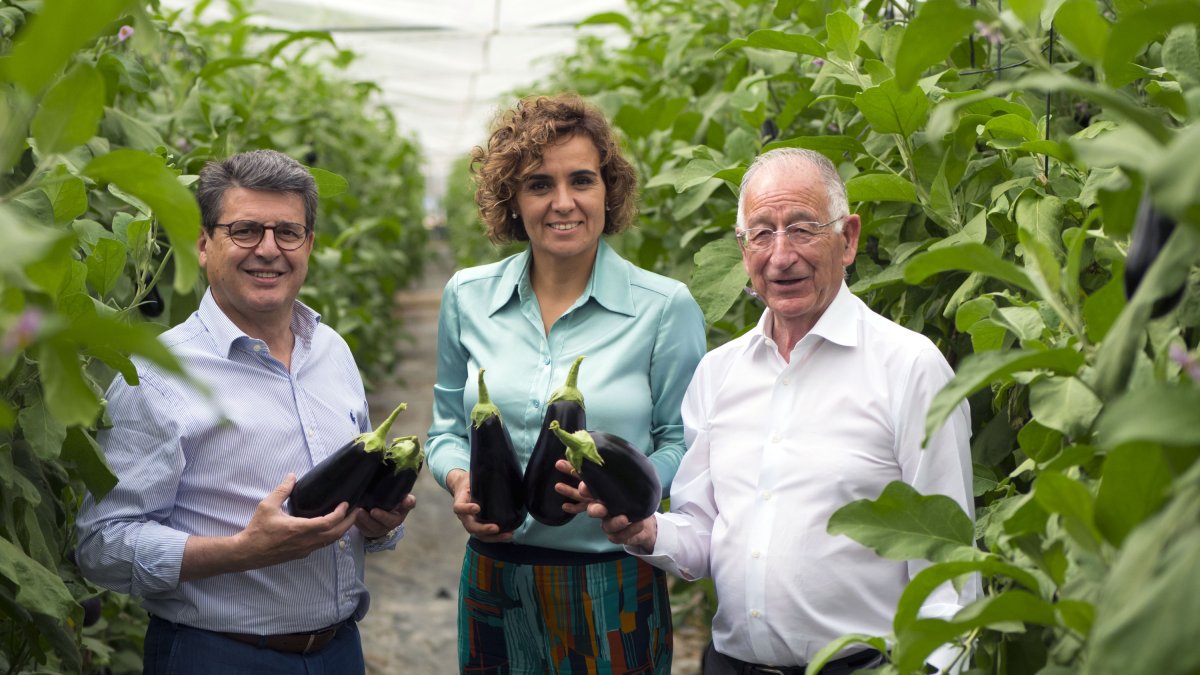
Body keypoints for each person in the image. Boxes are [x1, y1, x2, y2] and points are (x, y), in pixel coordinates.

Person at [583, 148, 976, 674]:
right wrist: (647, 531)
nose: (781, 255)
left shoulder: (909, 368)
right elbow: (705, 531)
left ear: (849, 239)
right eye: (762, 233)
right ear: (742, 249)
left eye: (803, 229)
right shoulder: (719, 373)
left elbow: (949, 567)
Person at [75, 149, 414, 674]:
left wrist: (378, 522)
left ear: (309, 245)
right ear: (203, 245)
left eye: (288, 232)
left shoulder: (332, 351)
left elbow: (358, 499)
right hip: (217, 655)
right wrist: (240, 550)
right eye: (245, 230)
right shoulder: (158, 374)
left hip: (340, 651)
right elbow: (101, 544)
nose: (269, 249)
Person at [425, 93, 706, 674]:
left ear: (608, 190)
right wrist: (458, 479)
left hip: (612, 582)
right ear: (512, 199)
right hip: (494, 577)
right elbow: (446, 431)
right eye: (538, 184)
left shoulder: (663, 308)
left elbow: (682, 440)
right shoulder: (467, 298)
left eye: (581, 180)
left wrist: (623, 489)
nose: (563, 202)